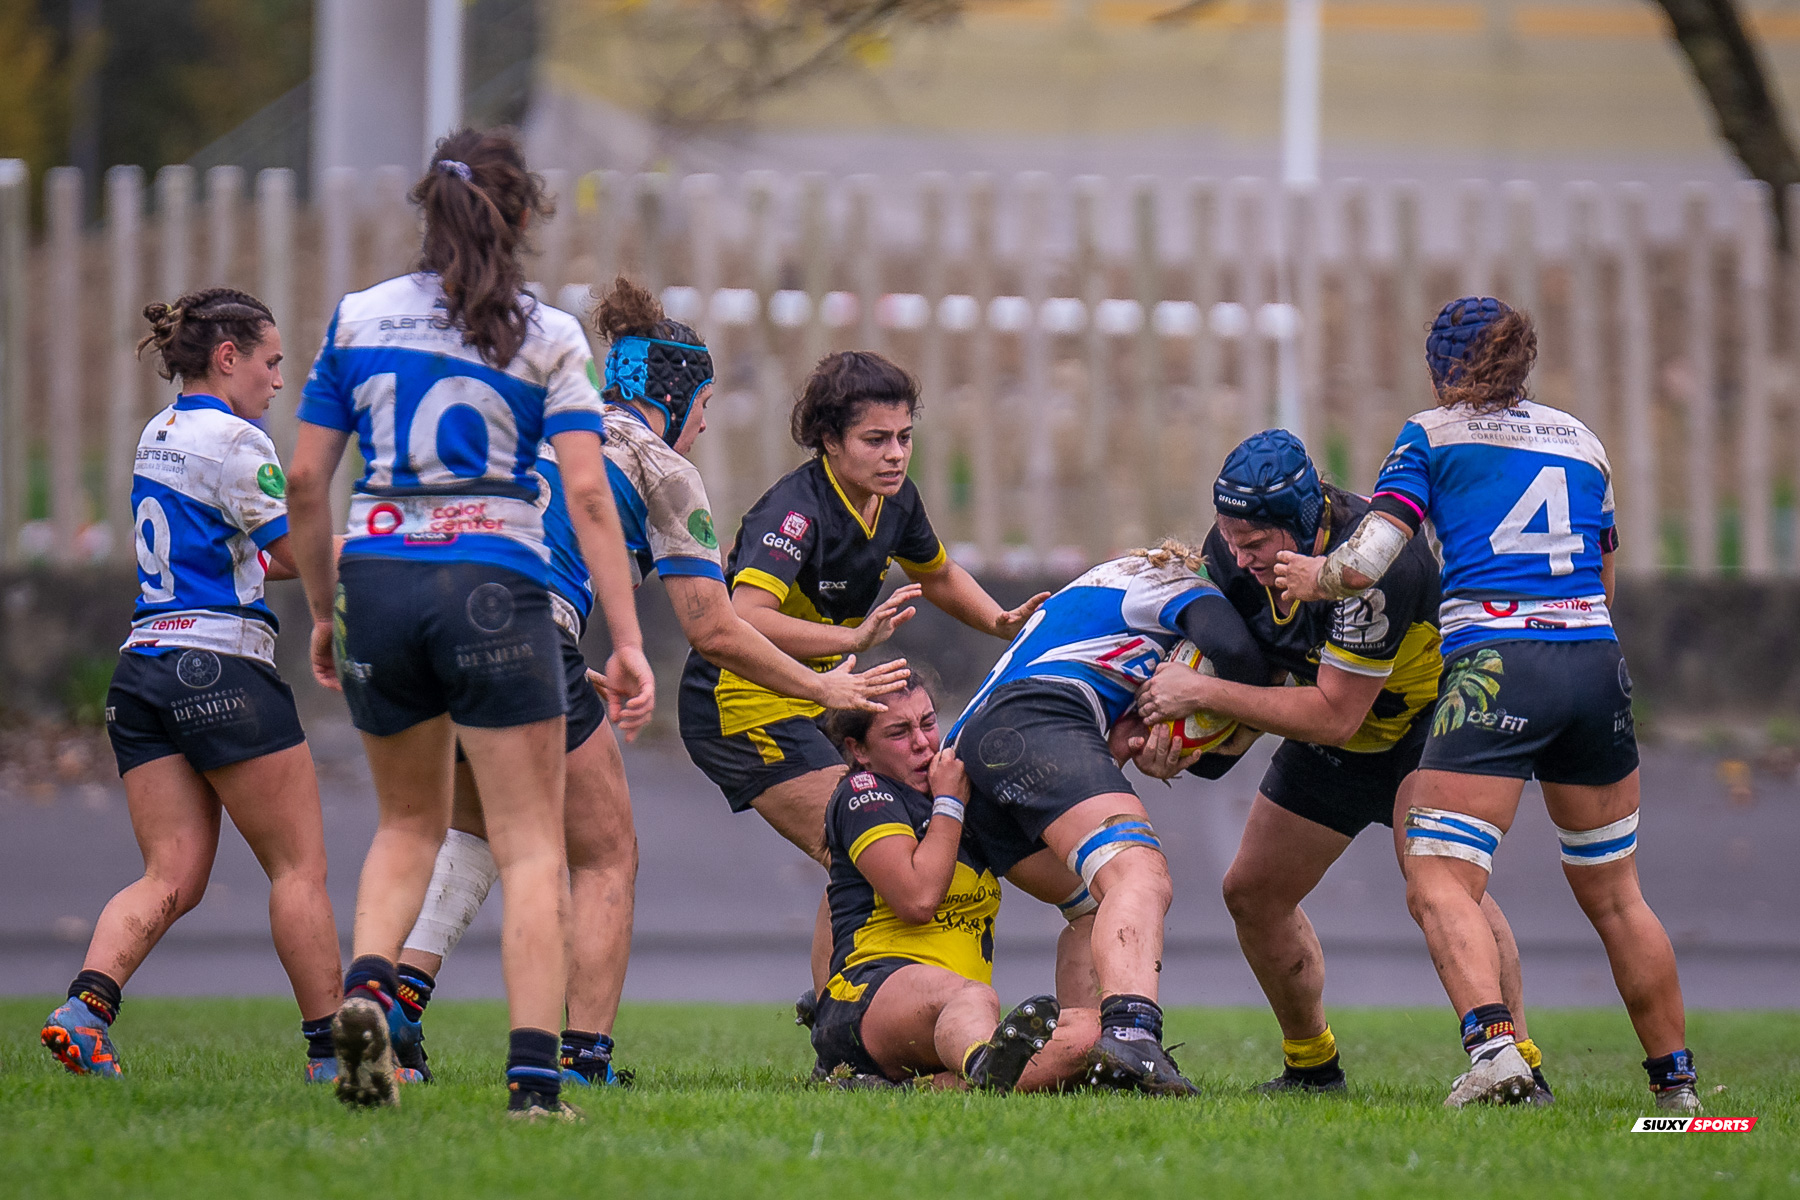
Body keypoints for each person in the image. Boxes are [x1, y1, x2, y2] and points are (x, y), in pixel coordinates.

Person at [391, 278, 907, 1087]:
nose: (702, 427)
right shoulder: (659, 463)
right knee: (606, 856)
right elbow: (714, 628)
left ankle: (396, 1002)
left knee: (480, 826)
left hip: (427, 630)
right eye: (704, 408)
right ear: (679, 398)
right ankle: (582, 1061)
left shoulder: (543, 427)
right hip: (526, 640)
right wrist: (824, 690)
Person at [286, 128, 654, 1119]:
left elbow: (306, 481)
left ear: (428, 208)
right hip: (494, 583)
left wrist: (323, 609)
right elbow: (587, 493)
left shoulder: (358, 317)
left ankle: (369, 995)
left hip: (378, 581)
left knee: (408, 825)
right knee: (531, 846)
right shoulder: (547, 333)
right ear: (523, 215)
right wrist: (626, 640)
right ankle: (534, 1085)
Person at [1274, 297, 1697, 1111]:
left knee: (1438, 871)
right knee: (1617, 894)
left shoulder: (1430, 435)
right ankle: (1677, 1094)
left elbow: (1368, 557)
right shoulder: (1581, 440)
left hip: (1501, 665)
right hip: (1594, 662)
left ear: (1440, 366)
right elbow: (1604, 578)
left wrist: (1313, 578)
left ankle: (1496, 1051)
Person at [1137, 429, 1553, 1102]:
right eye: (1229, 538)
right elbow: (1262, 672)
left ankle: (1519, 1065)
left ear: (1304, 524)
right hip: (1339, 739)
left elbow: (1334, 713)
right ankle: (1312, 1067)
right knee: (1253, 892)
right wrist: (1186, 744)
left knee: (1444, 884)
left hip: (1426, 729)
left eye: (1255, 542)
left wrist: (1202, 696)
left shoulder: (1375, 561)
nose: (1237, 557)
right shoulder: (1233, 551)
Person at [39, 289, 344, 1082]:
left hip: (143, 669)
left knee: (169, 874)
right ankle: (335, 1057)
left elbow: (248, 553)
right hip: (221, 666)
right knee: (299, 871)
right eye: (271, 362)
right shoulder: (239, 441)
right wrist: (390, 550)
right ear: (227, 357)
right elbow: (298, 552)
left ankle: (85, 1011)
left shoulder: (159, 433)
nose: (280, 380)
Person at [678, 350, 1047, 993]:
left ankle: (844, 1008)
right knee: (864, 841)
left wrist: (998, 621)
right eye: (876, 440)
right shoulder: (795, 512)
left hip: (820, 696)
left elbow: (937, 573)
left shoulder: (893, 500)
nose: (895, 455)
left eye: (904, 437)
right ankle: (845, 1015)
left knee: (863, 844)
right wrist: (851, 637)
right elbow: (745, 616)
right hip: (739, 703)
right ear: (829, 440)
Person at [948, 540, 1269, 1095]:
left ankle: (1084, 1059)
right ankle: (1131, 1033)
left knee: (1100, 907)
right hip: (1035, 716)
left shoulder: (1122, 600)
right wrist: (1257, 689)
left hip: (983, 756)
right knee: (1138, 873)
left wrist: (1159, 734)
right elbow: (1237, 652)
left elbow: (1212, 766)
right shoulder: (1174, 579)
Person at [812, 677, 1096, 1091]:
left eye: (928, 723)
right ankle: (985, 1065)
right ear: (859, 750)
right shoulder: (865, 792)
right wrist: (949, 803)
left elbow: (1076, 885)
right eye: (899, 732)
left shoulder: (967, 802)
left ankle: (930, 1086)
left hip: (957, 1022)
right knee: (972, 996)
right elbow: (917, 899)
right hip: (868, 998)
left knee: (1091, 1034)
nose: (922, 743)